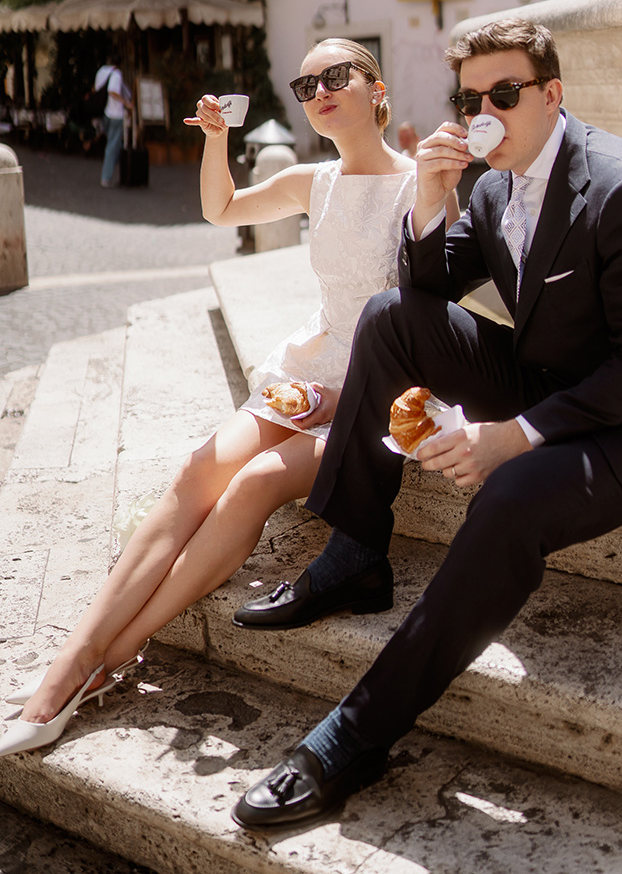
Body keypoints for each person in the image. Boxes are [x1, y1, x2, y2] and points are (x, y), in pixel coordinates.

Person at [229, 16, 622, 830]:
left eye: (505, 93)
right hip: (552, 380)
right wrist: (429, 201)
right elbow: (428, 287)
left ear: (552, 95)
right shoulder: (493, 184)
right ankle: (356, 549)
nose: (485, 110)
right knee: (391, 318)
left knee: (509, 497)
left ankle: (353, 737)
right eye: (470, 97)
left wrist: (516, 435)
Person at [0, 38, 458, 758]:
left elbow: (435, 301)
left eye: (336, 74)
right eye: (305, 84)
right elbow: (222, 210)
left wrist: (358, 393)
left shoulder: (418, 184)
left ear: (376, 88)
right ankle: (81, 658)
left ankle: (100, 661)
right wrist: (217, 141)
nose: (319, 90)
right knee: (193, 474)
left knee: (254, 484)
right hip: (306, 372)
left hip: (374, 392)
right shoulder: (316, 181)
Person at [93, 56, 132, 187]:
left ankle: (119, 173)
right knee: (113, 146)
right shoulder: (116, 74)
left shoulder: (101, 72)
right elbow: (112, 91)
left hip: (105, 113)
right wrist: (126, 103)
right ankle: (106, 177)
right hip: (115, 114)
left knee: (115, 145)